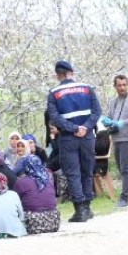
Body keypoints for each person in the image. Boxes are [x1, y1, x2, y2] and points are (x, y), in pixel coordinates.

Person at [46, 60, 101, 222]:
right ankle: (87, 208)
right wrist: (85, 127)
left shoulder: (54, 92)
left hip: (68, 138)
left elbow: (54, 117)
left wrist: (73, 128)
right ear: (71, 72)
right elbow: (97, 111)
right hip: (88, 137)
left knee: (73, 173)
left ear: (58, 75)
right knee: (87, 171)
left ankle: (80, 210)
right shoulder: (87, 88)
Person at [101, 74, 128, 208]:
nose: (122, 88)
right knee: (122, 169)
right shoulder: (113, 101)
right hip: (116, 139)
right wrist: (106, 121)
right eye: (119, 85)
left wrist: (123, 122)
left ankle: (124, 198)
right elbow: (110, 118)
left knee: (125, 169)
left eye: (124, 85)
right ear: (115, 86)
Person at [13, 155, 60, 234]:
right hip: (53, 222)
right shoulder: (48, 181)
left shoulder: (21, 182)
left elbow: (14, 202)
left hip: (33, 223)